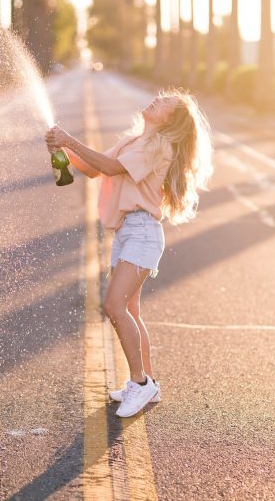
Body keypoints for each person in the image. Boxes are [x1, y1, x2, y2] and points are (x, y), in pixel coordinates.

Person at [45, 88, 213, 418]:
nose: (158, 99)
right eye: (162, 96)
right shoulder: (134, 140)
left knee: (113, 305)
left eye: (167, 103)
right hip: (127, 232)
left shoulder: (158, 145)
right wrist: (62, 147)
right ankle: (147, 386)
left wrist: (70, 139)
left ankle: (140, 382)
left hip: (144, 234)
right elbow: (94, 169)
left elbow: (109, 168)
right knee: (131, 311)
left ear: (171, 120)